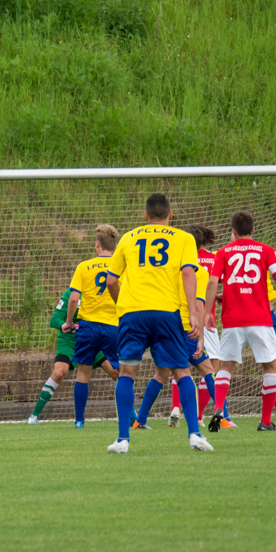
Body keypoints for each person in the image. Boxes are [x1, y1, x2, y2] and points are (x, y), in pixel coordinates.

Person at [104, 193, 213, 453]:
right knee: (182, 372)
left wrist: (123, 308)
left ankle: (122, 440)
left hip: (133, 313)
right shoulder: (184, 238)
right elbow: (188, 273)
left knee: (128, 373)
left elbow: (110, 280)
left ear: (145, 215)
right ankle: (195, 435)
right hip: (167, 313)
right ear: (170, 214)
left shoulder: (129, 237)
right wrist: (193, 315)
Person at [204, 211, 276, 433]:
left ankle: (218, 415)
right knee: (270, 367)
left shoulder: (223, 252)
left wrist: (208, 312)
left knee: (225, 368)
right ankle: (265, 421)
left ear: (232, 231)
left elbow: (213, 282)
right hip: (260, 318)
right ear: (253, 230)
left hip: (232, 320)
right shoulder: (266, 250)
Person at [134, 224, 214, 430]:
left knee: (162, 373)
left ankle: (140, 420)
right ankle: (220, 417)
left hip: (162, 324)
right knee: (206, 370)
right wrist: (201, 337)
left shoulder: (169, 267)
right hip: (186, 327)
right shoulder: (198, 271)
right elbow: (198, 303)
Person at [27, 288, 119, 424]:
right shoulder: (70, 294)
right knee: (58, 373)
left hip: (90, 339)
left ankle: (131, 416)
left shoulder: (98, 293)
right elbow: (54, 320)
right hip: (69, 341)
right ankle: (34, 415)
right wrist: (64, 325)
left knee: (115, 372)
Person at [60, 225, 122, 428]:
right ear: (115, 246)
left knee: (83, 374)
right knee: (122, 373)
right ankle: (129, 417)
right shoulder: (121, 266)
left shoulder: (83, 266)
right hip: (114, 326)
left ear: (97, 245)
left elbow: (73, 299)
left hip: (88, 327)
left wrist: (69, 322)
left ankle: (79, 421)